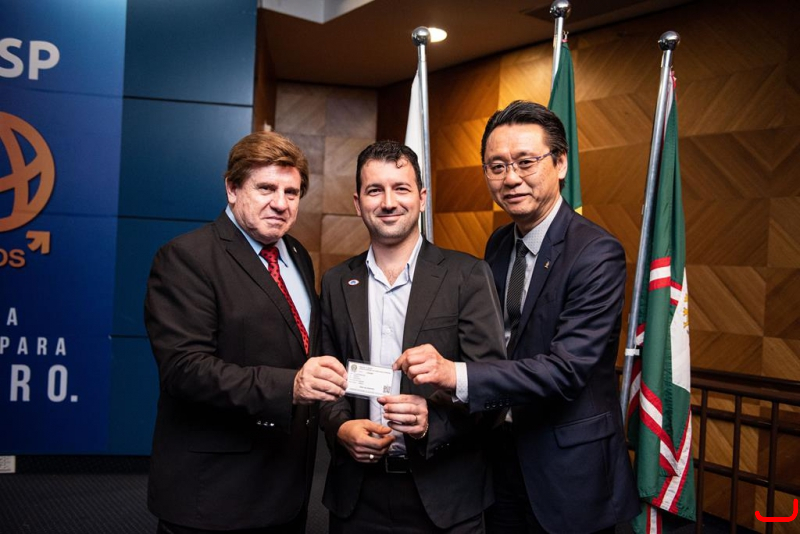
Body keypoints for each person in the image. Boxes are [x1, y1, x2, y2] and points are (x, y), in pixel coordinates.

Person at [395, 101, 640, 533]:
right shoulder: (499, 245)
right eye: (497, 166)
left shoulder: (596, 253)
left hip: (569, 468)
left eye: (526, 162)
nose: (510, 178)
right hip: (500, 456)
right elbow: (496, 342)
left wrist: (456, 374)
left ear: (560, 163)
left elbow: (566, 370)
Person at [144, 131, 348, 534]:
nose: (281, 203)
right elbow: (184, 370)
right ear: (233, 188)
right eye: (266, 188)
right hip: (215, 493)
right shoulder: (187, 257)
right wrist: (290, 386)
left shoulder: (297, 255)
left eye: (291, 192)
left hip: (286, 486)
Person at [318, 140, 506, 533]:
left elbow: (493, 387)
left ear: (421, 198)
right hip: (357, 499)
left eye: (400, 188)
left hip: (446, 496)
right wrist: (340, 428)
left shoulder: (467, 276)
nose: (388, 202)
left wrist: (433, 423)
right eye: (375, 190)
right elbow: (326, 381)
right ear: (358, 203)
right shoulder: (336, 282)